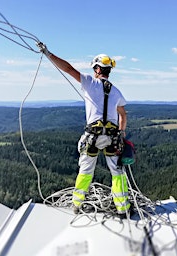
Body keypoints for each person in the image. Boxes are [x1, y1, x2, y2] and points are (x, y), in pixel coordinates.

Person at [37, 42, 131, 217]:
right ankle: (123, 208)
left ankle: (76, 204)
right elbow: (123, 116)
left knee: (86, 171)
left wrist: (49, 54)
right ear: (108, 71)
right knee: (117, 172)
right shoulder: (116, 92)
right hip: (111, 137)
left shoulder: (90, 83)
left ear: (97, 69)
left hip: (92, 137)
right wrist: (121, 134)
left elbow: (68, 69)